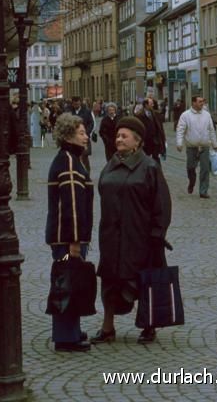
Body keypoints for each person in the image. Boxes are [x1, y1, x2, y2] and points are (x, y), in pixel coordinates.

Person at [91, 117, 171, 345]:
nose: (118, 139)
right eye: (117, 136)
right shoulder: (111, 164)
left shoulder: (149, 167)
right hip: (111, 236)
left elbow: (162, 204)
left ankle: (148, 325)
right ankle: (107, 328)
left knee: (142, 279)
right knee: (108, 280)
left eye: (124, 136)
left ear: (137, 141)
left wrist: (158, 232)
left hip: (139, 236)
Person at [45, 113, 94, 352]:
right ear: (68, 135)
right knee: (66, 282)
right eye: (81, 133)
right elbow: (72, 205)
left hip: (61, 238)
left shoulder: (68, 158)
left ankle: (71, 330)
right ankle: (66, 337)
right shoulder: (70, 162)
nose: (86, 137)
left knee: (69, 281)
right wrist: (75, 241)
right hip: (67, 240)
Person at [175, 95, 217, 199]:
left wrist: (215, 144)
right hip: (192, 146)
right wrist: (179, 143)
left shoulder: (207, 115)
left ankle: (203, 191)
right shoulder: (185, 115)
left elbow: (211, 130)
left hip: (204, 145)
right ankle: (192, 181)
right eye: (199, 101)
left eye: (202, 102)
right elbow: (180, 130)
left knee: (205, 169)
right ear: (193, 103)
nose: (202, 103)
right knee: (190, 167)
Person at [66, 95, 94, 168]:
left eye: (78, 104)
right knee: (74, 155)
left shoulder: (86, 111)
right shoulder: (68, 112)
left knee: (84, 156)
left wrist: (86, 132)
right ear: (72, 104)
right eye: (75, 104)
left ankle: (87, 174)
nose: (76, 105)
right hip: (73, 137)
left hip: (84, 137)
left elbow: (91, 123)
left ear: (80, 103)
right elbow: (66, 123)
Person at [136, 97, 166, 163]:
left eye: (152, 104)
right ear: (146, 105)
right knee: (145, 159)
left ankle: (157, 172)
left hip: (155, 141)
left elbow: (160, 128)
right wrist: (140, 141)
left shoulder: (156, 114)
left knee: (156, 159)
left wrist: (163, 140)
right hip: (146, 141)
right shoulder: (139, 115)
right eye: (151, 104)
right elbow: (138, 130)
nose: (153, 105)